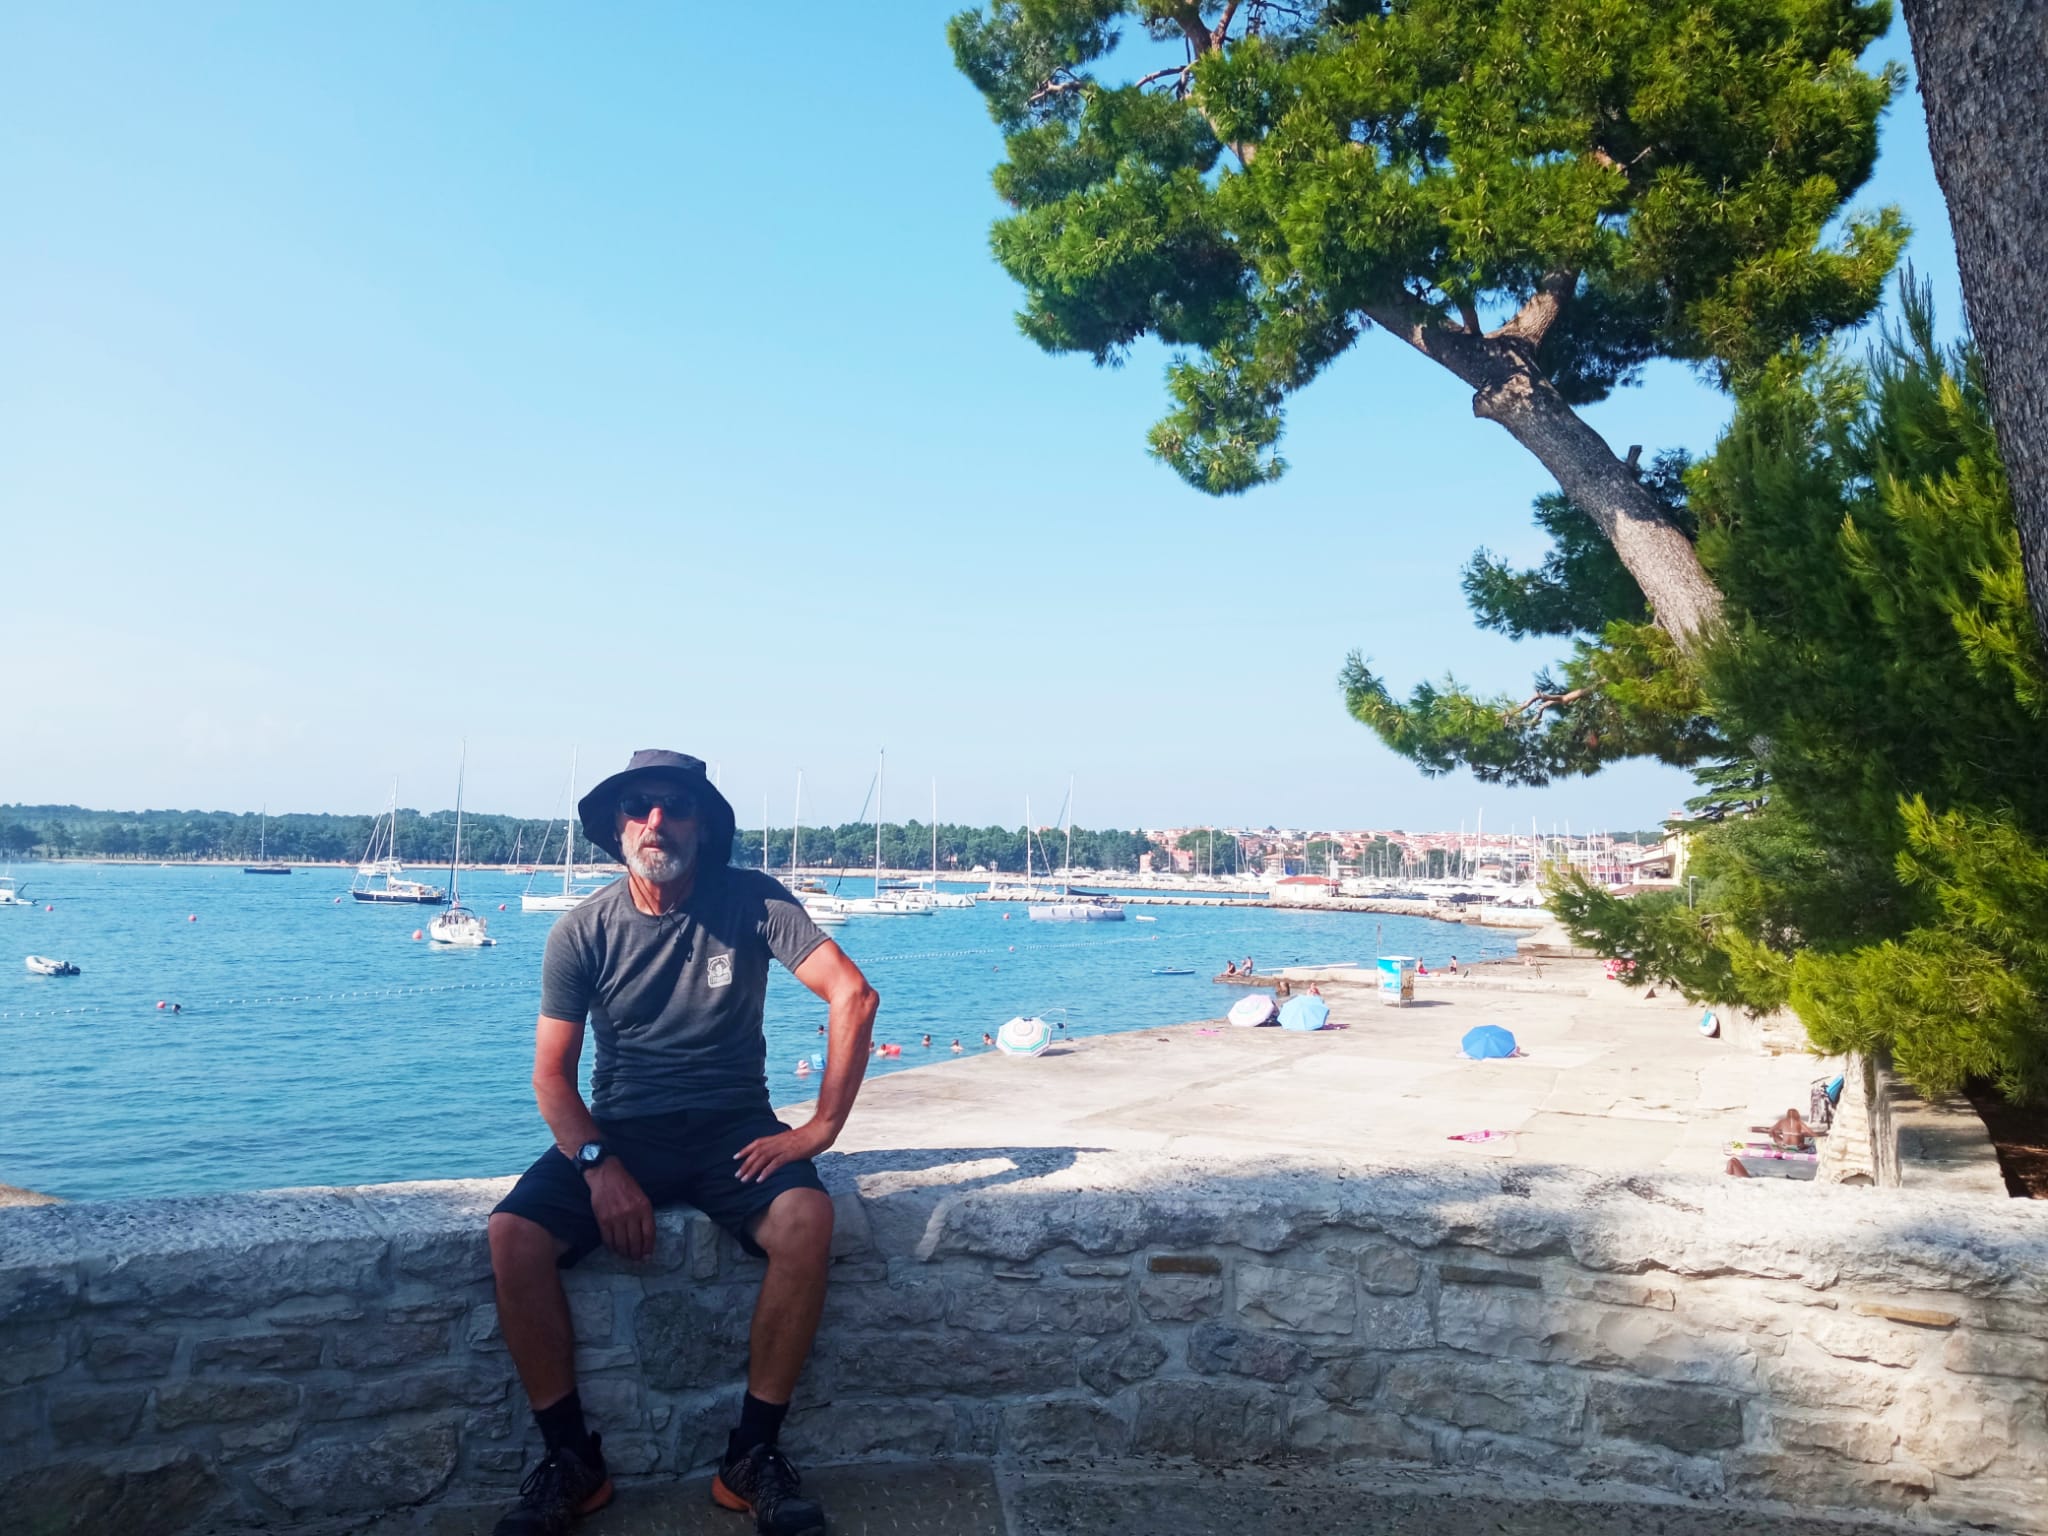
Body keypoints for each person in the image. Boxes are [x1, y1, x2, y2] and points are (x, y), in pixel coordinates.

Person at [486, 751, 879, 1536]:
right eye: (639, 805)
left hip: (735, 1125)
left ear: (704, 827)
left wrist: (821, 1129)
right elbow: (551, 1079)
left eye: (676, 806)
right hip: (623, 1129)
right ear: (617, 826)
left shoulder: (754, 901)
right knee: (512, 1236)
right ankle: (572, 1463)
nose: (656, 821)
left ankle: (751, 1457)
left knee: (807, 1220)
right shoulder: (582, 930)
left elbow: (853, 996)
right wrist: (598, 1165)